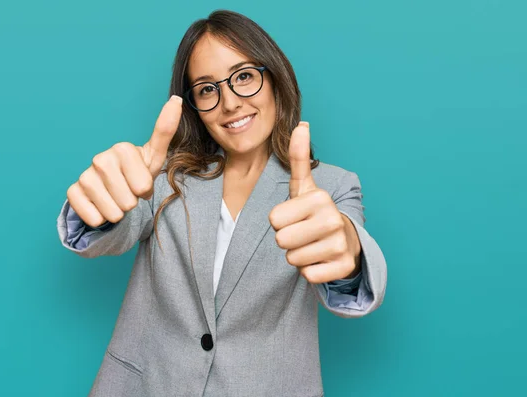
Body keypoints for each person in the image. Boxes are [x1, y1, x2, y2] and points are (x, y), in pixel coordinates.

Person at [57, 9, 387, 397]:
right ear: (193, 105)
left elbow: (344, 260)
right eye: (207, 88)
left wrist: (348, 259)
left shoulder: (331, 187)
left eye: (244, 76)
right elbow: (117, 229)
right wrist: (98, 209)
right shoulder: (165, 175)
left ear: (275, 80)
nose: (229, 102)